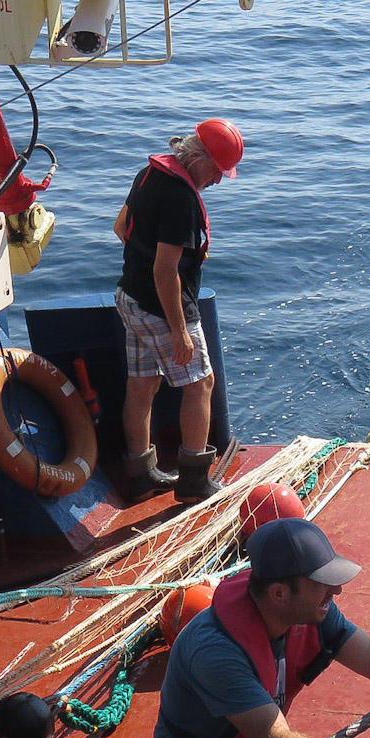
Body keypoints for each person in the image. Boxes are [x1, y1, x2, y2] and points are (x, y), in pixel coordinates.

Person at [141, 517, 370, 738]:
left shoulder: (312, 609)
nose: (336, 590)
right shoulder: (214, 651)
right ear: (279, 593)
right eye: (323, 582)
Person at [112, 118, 244, 503]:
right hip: (160, 307)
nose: (219, 181)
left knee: (143, 383)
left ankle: (139, 473)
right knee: (200, 383)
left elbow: (121, 226)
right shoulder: (181, 199)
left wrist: (142, 255)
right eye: (218, 171)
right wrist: (177, 329)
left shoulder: (148, 174)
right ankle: (193, 481)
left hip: (129, 297)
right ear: (199, 159)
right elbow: (165, 270)